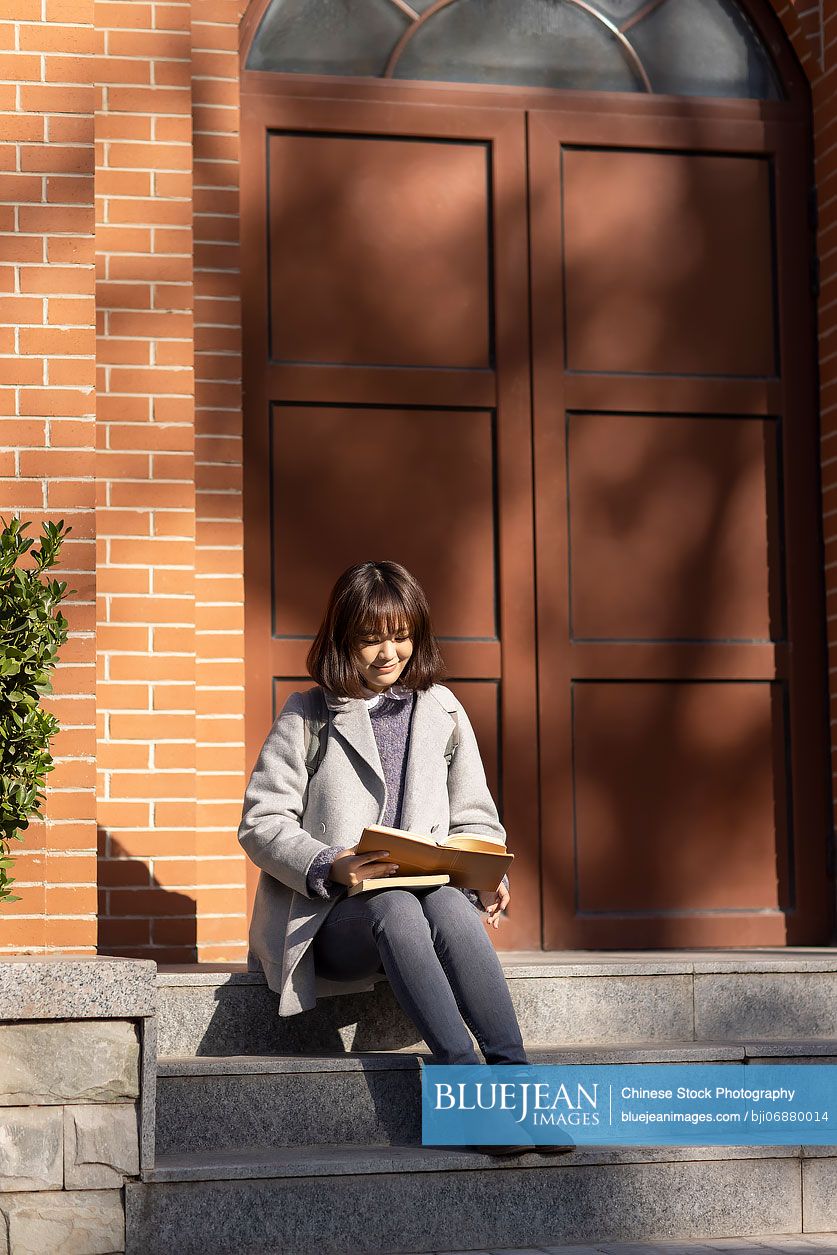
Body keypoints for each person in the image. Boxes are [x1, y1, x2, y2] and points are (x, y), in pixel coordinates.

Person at [238, 559, 571, 1157]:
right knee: (393, 902)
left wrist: (486, 868)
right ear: (343, 640)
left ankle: (518, 1089)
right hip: (333, 919)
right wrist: (328, 864)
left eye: (400, 635)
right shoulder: (307, 715)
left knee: (445, 900)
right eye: (370, 639)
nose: (388, 652)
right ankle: (467, 1096)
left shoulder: (441, 708)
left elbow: (475, 815)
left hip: (425, 908)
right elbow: (261, 823)